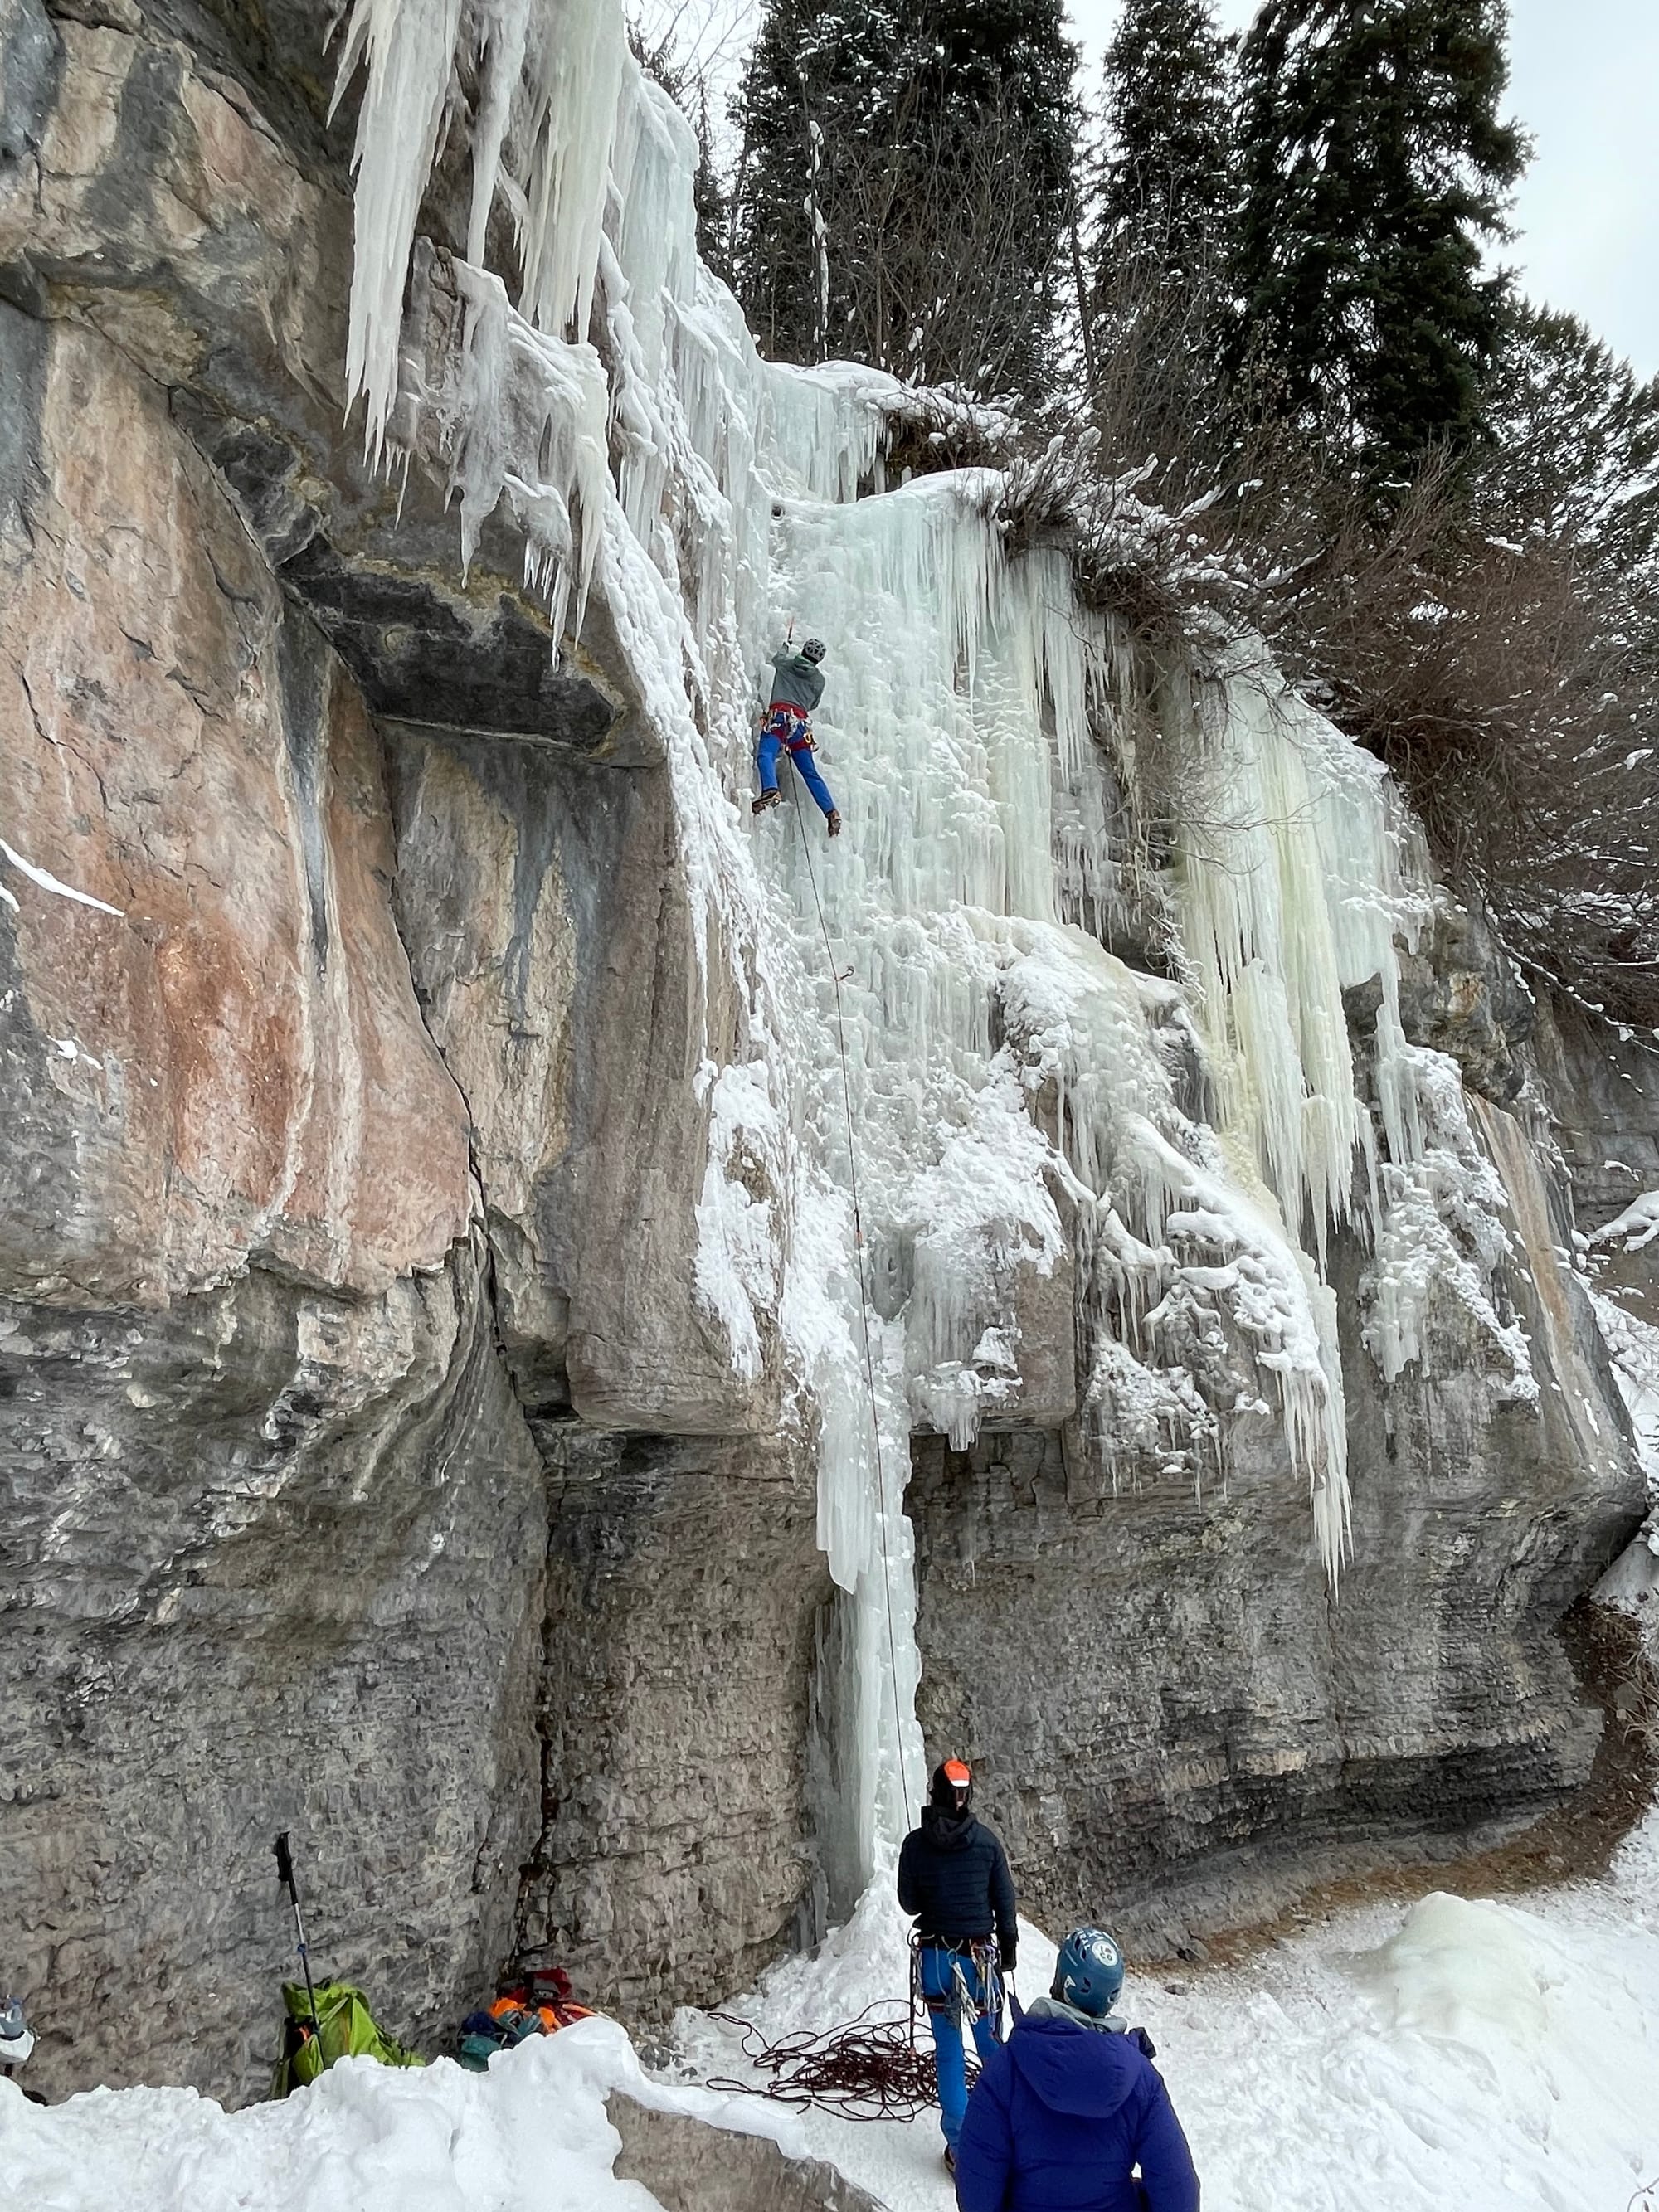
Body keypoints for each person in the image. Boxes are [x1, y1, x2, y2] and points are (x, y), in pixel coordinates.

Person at [954, 1926, 1200, 2212]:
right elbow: (1178, 2189)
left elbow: (976, 2182)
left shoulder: (1006, 2068)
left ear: (1061, 1980)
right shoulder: (1141, 2079)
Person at [897, 1757, 1018, 2170]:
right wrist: (1010, 1949)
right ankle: (1011, 2135)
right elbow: (1004, 1899)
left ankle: (961, 2147)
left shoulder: (915, 1845)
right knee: (991, 2047)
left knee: (948, 2053)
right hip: (980, 1959)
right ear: (966, 1797)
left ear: (935, 1793)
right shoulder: (986, 1842)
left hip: (935, 1958)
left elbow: (908, 1903)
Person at [752, 637, 840, 836]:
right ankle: (831, 812)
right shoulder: (819, 680)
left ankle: (771, 789)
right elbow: (813, 705)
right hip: (800, 726)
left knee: (766, 754)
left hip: (778, 718)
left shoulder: (786, 664)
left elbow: (777, 658)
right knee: (810, 772)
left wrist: (786, 644)